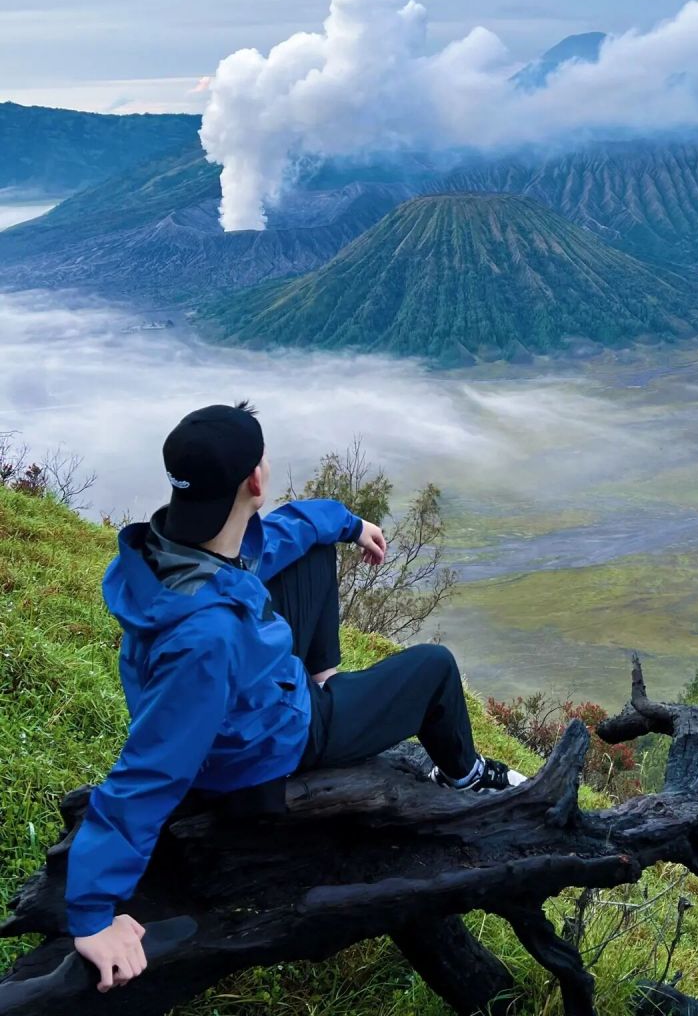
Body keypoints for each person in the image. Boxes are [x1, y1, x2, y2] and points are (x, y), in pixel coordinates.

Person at [68, 401, 525, 994]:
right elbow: (150, 770)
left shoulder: (168, 549)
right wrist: (91, 914)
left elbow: (279, 535)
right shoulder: (207, 639)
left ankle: (325, 678)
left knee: (307, 548)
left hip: (248, 698)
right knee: (435, 668)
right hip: (264, 749)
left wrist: (348, 523)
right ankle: (464, 777)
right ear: (255, 480)